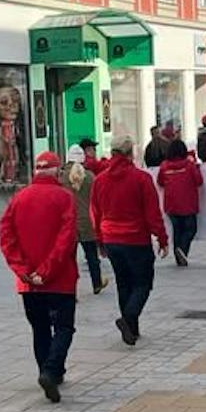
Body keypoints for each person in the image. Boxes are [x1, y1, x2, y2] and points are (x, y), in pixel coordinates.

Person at [0, 151, 80, 402]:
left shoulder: (18, 199)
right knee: (64, 327)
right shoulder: (65, 198)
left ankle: (46, 369)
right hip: (60, 279)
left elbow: (7, 238)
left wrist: (24, 272)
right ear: (57, 172)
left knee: (40, 329)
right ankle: (52, 369)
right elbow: (66, 240)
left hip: (29, 284)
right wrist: (45, 272)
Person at [90, 135, 168, 345]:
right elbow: (152, 213)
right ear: (129, 153)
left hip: (111, 238)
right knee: (143, 282)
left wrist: (100, 240)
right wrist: (162, 237)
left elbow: (95, 213)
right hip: (135, 238)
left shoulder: (100, 180)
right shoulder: (141, 178)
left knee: (124, 283)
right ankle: (128, 318)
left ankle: (131, 329)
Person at [62, 145, 106, 294]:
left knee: (69, 260)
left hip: (69, 223)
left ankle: (70, 288)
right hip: (88, 222)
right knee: (92, 256)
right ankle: (97, 283)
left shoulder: (61, 178)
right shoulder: (90, 177)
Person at [156, 138, 204, 267]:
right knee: (191, 229)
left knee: (177, 230)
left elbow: (160, 182)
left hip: (171, 204)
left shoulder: (164, 166)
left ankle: (179, 256)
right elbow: (199, 181)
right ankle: (182, 250)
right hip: (188, 203)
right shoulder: (189, 165)